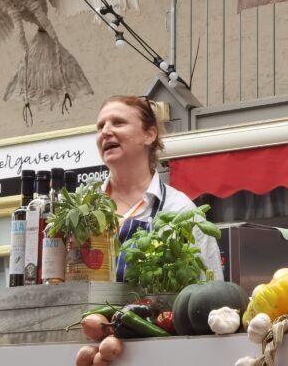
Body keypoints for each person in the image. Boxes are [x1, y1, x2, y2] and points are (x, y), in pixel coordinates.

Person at [96, 95, 223, 282]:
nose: (105, 131)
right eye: (100, 126)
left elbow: (210, 289)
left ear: (149, 135)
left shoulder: (179, 210)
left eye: (118, 123)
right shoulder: (82, 209)